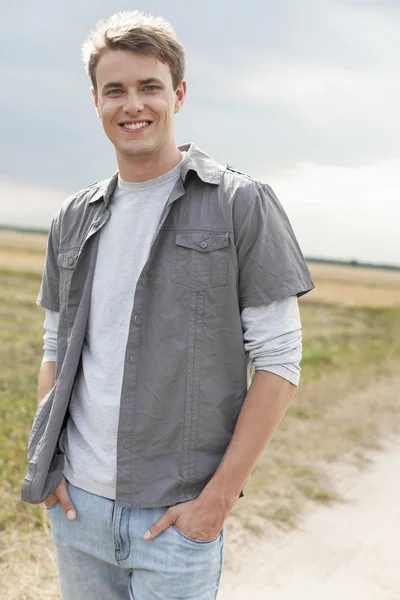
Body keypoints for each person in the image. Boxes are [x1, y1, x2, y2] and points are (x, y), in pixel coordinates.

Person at [21, 10, 315, 600]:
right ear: (96, 102)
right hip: (77, 509)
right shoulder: (72, 219)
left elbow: (280, 362)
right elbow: (55, 345)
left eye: (149, 87)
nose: (133, 104)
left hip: (176, 522)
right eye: (116, 90)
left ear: (177, 93)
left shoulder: (242, 204)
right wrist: (50, 469)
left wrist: (217, 501)